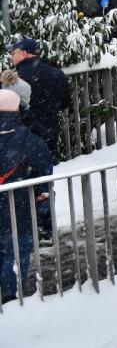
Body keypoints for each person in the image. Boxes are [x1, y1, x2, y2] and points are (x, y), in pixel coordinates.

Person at [0, 88, 53, 304]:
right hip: (20, 207)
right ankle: (13, 297)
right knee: (17, 253)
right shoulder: (29, 140)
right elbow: (45, 169)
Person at [8, 38, 69, 155]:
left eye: (13, 53)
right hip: (50, 136)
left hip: (21, 139)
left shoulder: (12, 81)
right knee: (46, 170)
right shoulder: (57, 74)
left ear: (24, 54)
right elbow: (65, 103)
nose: (12, 56)